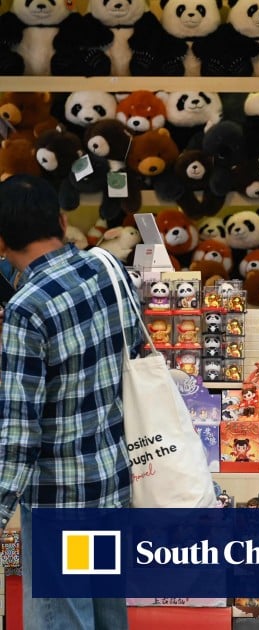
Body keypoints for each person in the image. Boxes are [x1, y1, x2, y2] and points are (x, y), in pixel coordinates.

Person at [0, 175, 141, 630]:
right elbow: (137, 353)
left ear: (2, 244)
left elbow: (19, 433)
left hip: (62, 503)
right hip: (113, 485)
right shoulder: (109, 269)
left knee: (65, 620)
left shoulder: (26, 308)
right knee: (106, 616)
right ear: (62, 220)